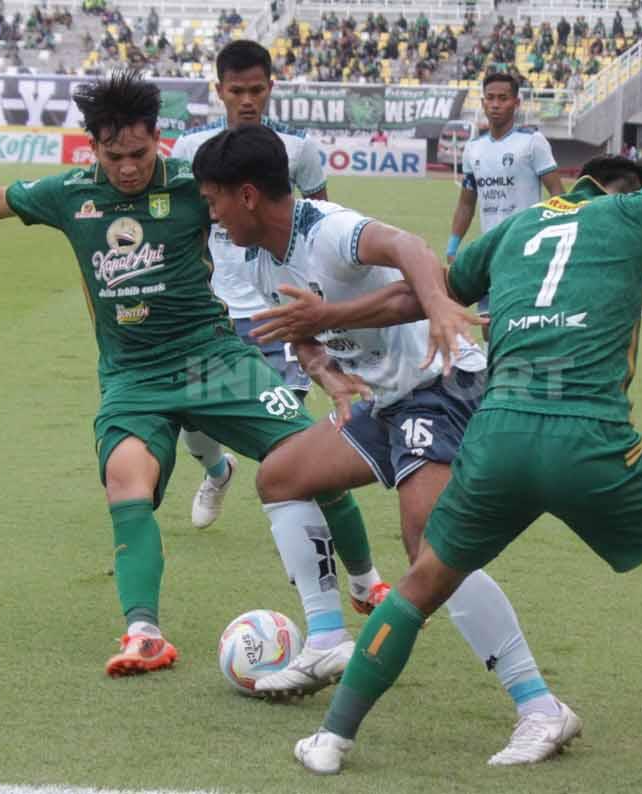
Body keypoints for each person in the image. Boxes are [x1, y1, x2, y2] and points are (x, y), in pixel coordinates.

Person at [0, 72, 441, 682]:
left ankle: (364, 581)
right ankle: (143, 633)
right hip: (133, 376)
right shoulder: (71, 194)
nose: (129, 168)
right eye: (115, 157)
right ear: (94, 149)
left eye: (139, 154)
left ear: (156, 141)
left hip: (211, 360)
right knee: (125, 482)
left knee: (306, 456)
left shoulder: (195, 186)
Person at [290, 98, 642, 783]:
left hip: (498, 432)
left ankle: (330, 740)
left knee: (423, 582)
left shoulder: (518, 227)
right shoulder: (635, 211)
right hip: (589, 435)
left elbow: (419, 296)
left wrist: (326, 317)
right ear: (629, 190)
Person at [194, 123, 579, 764]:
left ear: (249, 195)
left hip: (443, 383)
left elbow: (409, 249)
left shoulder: (328, 231)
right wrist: (328, 375)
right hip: (386, 401)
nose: (210, 214)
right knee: (282, 475)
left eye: (213, 200)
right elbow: (302, 334)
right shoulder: (261, 260)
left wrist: (441, 307)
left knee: (431, 546)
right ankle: (325, 639)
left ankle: (540, 707)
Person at [169, 41, 389, 613]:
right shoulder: (191, 151)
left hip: (279, 315)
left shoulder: (298, 151)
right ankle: (216, 471)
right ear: (218, 90)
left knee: (289, 449)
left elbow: (312, 230)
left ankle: (352, 581)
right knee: (193, 421)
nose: (246, 100)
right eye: (235, 90)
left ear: (271, 88)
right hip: (211, 315)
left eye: (256, 89)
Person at [447, 72, 565, 336]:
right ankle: (495, 375)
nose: (496, 104)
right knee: (488, 326)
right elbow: (466, 203)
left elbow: (558, 194)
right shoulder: (473, 148)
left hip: (526, 249)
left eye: (503, 98)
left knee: (522, 324)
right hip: (489, 251)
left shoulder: (532, 142)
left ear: (516, 103)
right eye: (490, 98)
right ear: (482, 103)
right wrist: (453, 246)